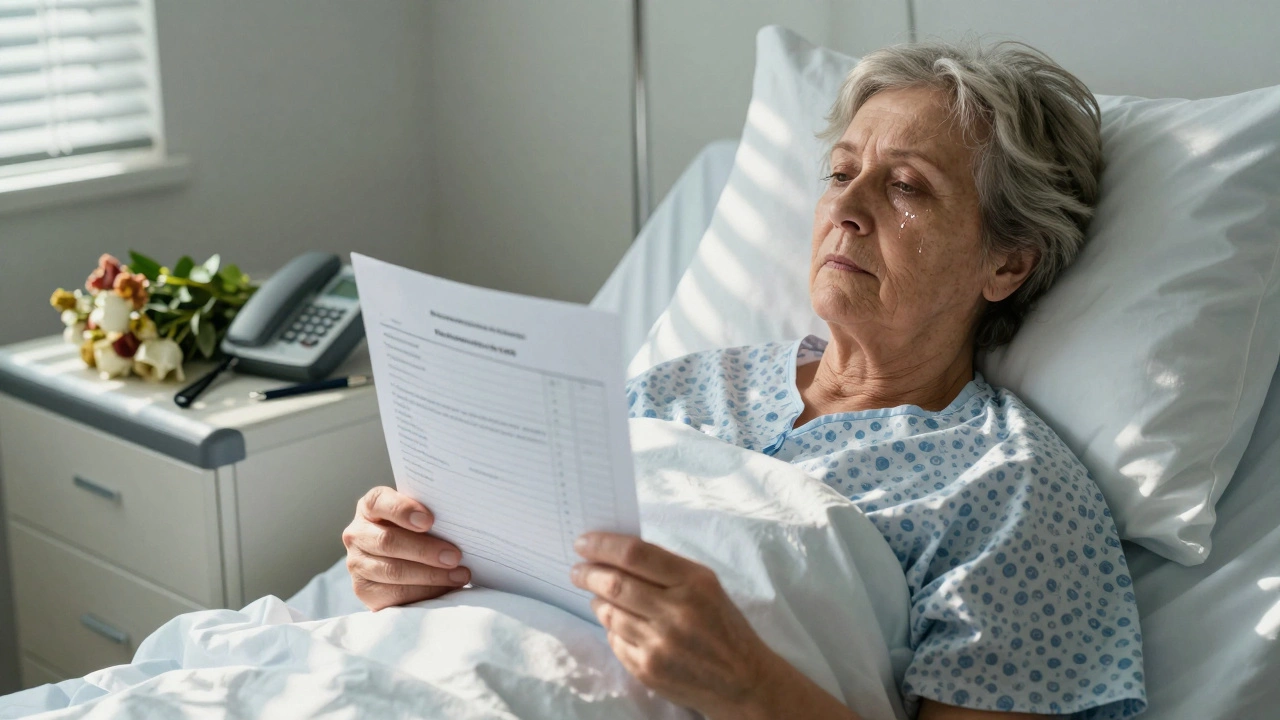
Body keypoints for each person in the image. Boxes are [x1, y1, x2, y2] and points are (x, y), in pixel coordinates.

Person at [342, 40, 1147, 720]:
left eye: (905, 187)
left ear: (1006, 263)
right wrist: (409, 566)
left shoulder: (1011, 492)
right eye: (840, 173)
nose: (848, 208)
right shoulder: (679, 388)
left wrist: (749, 684)